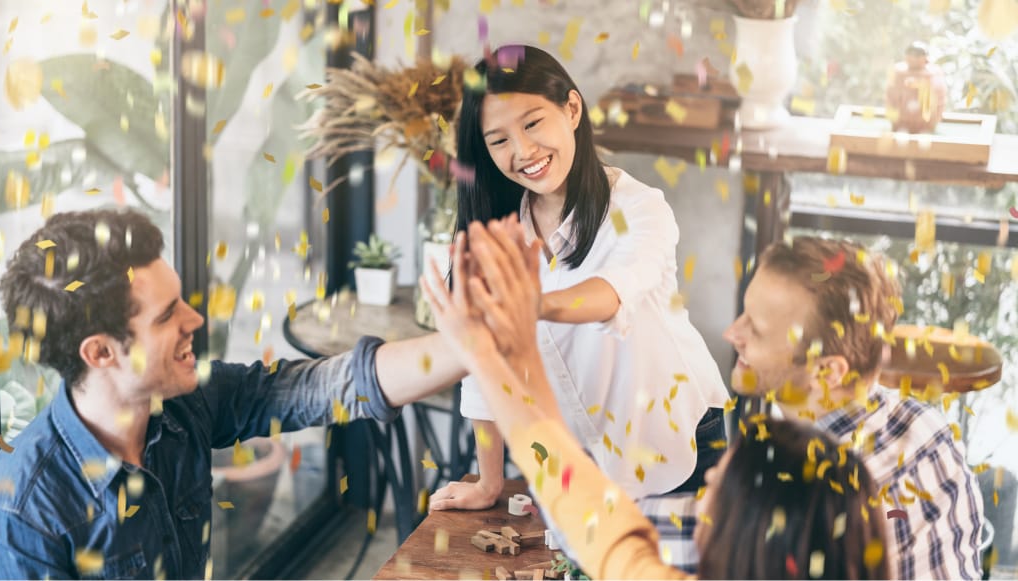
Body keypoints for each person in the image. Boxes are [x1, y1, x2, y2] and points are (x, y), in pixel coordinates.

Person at [0, 209, 464, 579]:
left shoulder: (182, 404)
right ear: (101, 353)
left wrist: (476, 346)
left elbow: (328, 385)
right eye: (166, 315)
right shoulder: (21, 514)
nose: (194, 321)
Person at [419, 218, 891, 579]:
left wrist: (489, 350)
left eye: (712, 499)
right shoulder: (913, 438)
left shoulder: (783, 515)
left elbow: (586, 524)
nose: (730, 333)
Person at [429, 44, 729, 542]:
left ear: (571, 110)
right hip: (582, 458)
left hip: (679, 445)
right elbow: (483, 371)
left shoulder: (639, 207)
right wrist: (488, 481)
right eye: (498, 140)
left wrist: (532, 305)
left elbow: (611, 293)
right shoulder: (494, 235)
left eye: (532, 124)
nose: (522, 152)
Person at [722, 236, 985, 579]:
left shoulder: (813, 502)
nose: (731, 333)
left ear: (828, 371)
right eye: (744, 313)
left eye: (755, 330)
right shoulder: (929, 426)